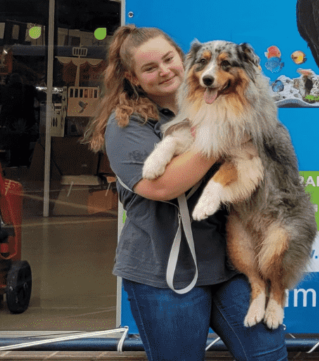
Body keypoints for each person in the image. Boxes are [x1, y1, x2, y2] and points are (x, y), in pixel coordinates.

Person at [83, 25, 287, 361]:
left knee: (268, 356)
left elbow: (270, 157)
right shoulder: (126, 126)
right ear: (134, 79)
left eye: (168, 59)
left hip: (232, 263)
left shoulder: (225, 99)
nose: (164, 71)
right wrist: (228, 129)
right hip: (166, 271)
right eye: (149, 68)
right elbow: (161, 186)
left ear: (184, 58)